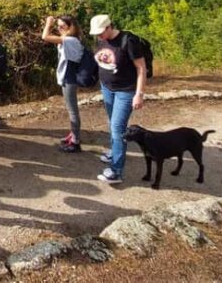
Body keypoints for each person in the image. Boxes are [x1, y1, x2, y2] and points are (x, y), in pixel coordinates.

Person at [90, 15, 146, 184]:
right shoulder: (101, 40)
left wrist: (139, 94)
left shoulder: (128, 41)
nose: (99, 37)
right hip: (107, 88)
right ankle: (114, 152)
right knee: (112, 122)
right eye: (96, 34)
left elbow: (141, 68)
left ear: (109, 27)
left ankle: (116, 172)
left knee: (117, 128)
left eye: (101, 33)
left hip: (126, 91)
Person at [42, 14, 85, 152]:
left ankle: (76, 142)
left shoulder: (70, 40)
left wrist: (48, 23)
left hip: (69, 78)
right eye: (58, 26)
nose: (59, 28)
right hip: (67, 76)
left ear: (70, 26)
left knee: (72, 111)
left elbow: (45, 37)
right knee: (70, 109)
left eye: (62, 26)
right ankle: (73, 135)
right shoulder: (71, 39)